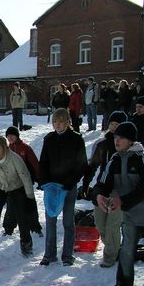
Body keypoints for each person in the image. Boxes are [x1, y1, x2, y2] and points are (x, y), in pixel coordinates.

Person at [93, 121, 144, 286]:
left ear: (131, 140)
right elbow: (102, 182)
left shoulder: (142, 158)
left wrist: (123, 200)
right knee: (126, 251)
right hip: (131, 215)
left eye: (121, 138)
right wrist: (99, 195)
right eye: (116, 137)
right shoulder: (114, 160)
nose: (117, 141)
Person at [38, 108, 88, 266]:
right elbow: (43, 163)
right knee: (50, 220)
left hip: (68, 186)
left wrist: (71, 181)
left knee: (68, 221)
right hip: (52, 187)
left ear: (68, 122)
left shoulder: (76, 139)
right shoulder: (49, 139)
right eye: (55, 122)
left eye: (61, 121)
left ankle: (67, 255)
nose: (58, 125)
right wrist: (43, 181)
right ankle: (49, 254)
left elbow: (82, 165)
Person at [0, 135, 35, 261]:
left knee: (21, 217)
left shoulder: (15, 159)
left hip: (16, 187)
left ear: (5, 148)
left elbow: (26, 178)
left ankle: (27, 247)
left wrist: (30, 198)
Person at [81, 111, 127, 268]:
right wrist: (86, 184)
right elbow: (92, 165)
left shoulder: (128, 147)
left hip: (120, 189)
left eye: (118, 125)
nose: (114, 128)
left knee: (112, 225)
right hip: (102, 187)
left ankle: (110, 255)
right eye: (112, 124)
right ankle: (114, 247)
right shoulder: (102, 144)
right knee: (100, 224)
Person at [3, 126, 43, 237]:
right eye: (8, 136)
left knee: (29, 203)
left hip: (25, 181)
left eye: (12, 135)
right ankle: (8, 228)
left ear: (17, 136)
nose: (10, 138)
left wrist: (39, 178)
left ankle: (35, 227)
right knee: (11, 205)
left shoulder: (25, 148)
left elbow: (35, 164)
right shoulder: (7, 149)